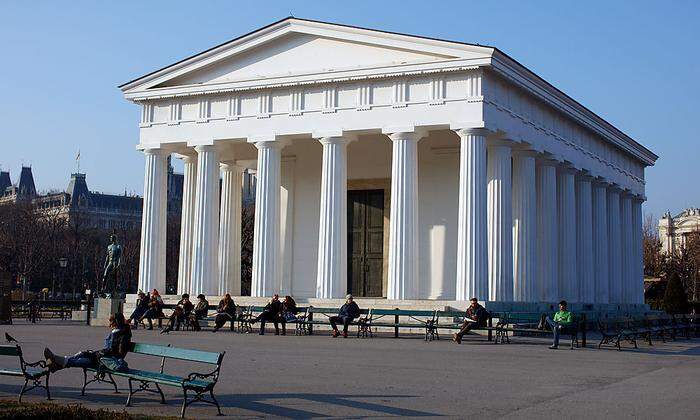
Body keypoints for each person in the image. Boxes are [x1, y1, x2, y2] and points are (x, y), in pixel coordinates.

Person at [44, 313, 132, 372]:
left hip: (109, 361)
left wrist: (100, 354)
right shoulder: (115, 332)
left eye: (111, 322)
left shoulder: (123, 335)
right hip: (103, 356)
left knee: (84, 360)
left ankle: (56, 360)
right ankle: (57, 362)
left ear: (116, 322)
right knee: (82, 354)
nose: (110, 325)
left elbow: (119, 353)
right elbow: (107, 348)